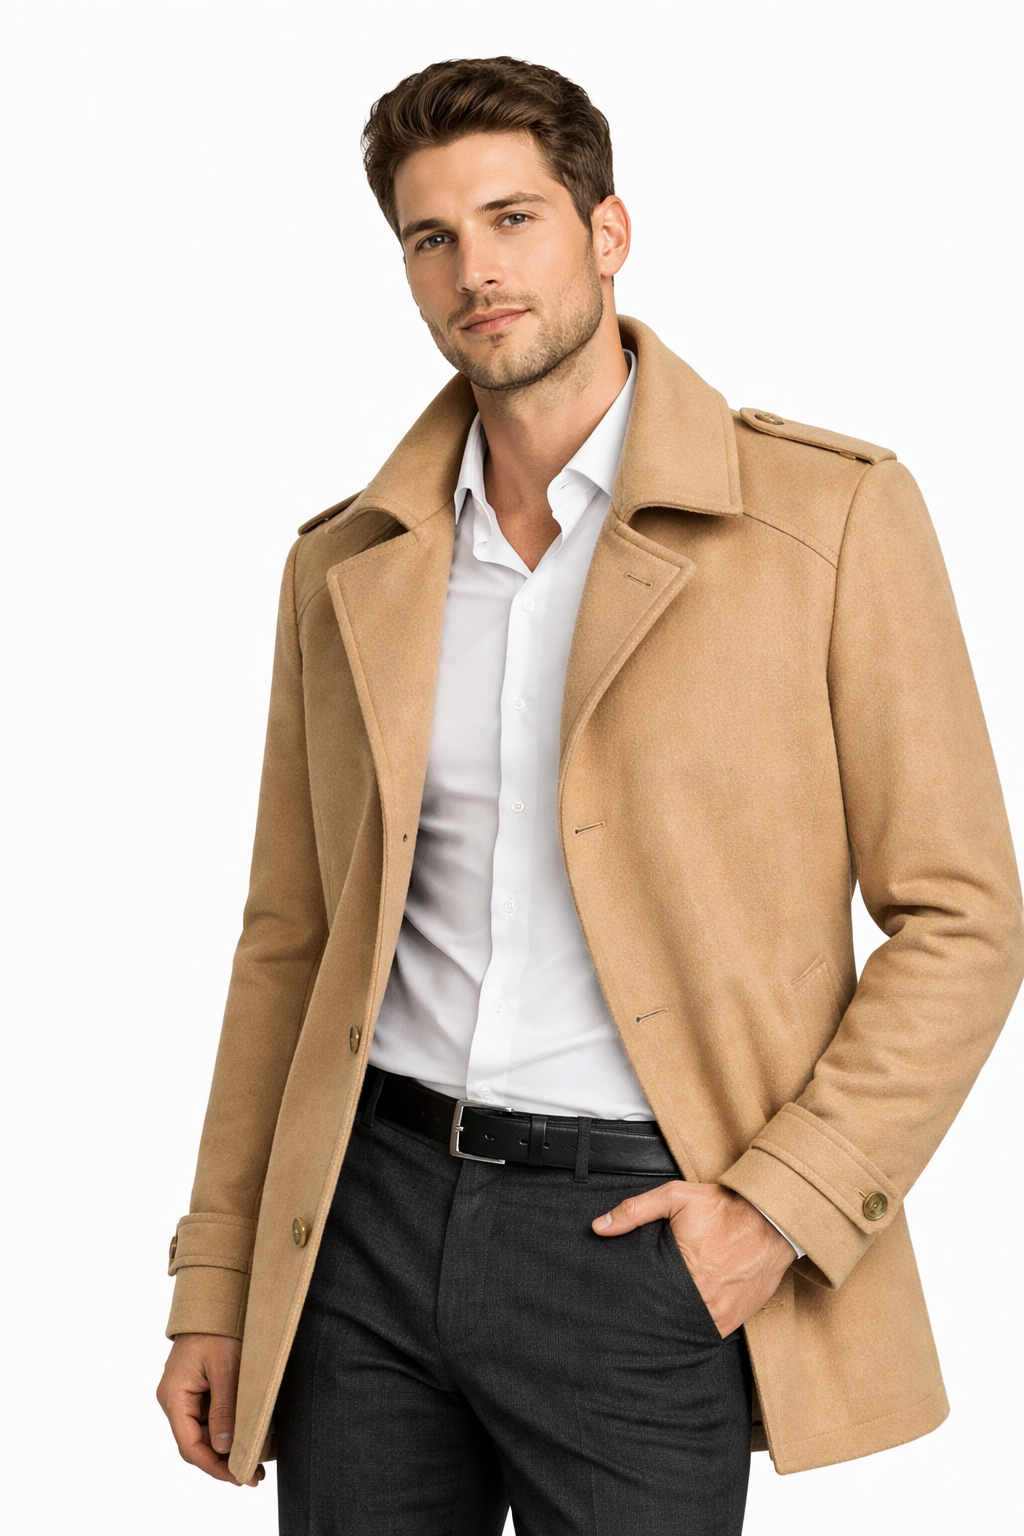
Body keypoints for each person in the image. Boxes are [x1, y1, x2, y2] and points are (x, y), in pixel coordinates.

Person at [156, 57, 1023, 1535]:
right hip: (361, 1230)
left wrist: (780, 1207)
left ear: (608, 231)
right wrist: (221, 1272)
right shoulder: (345, 564)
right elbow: (287, 942)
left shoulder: (828, 518)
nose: (475, 271)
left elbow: (963, 917)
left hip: (636, 1237)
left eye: (515, 219)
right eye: (432, 238)